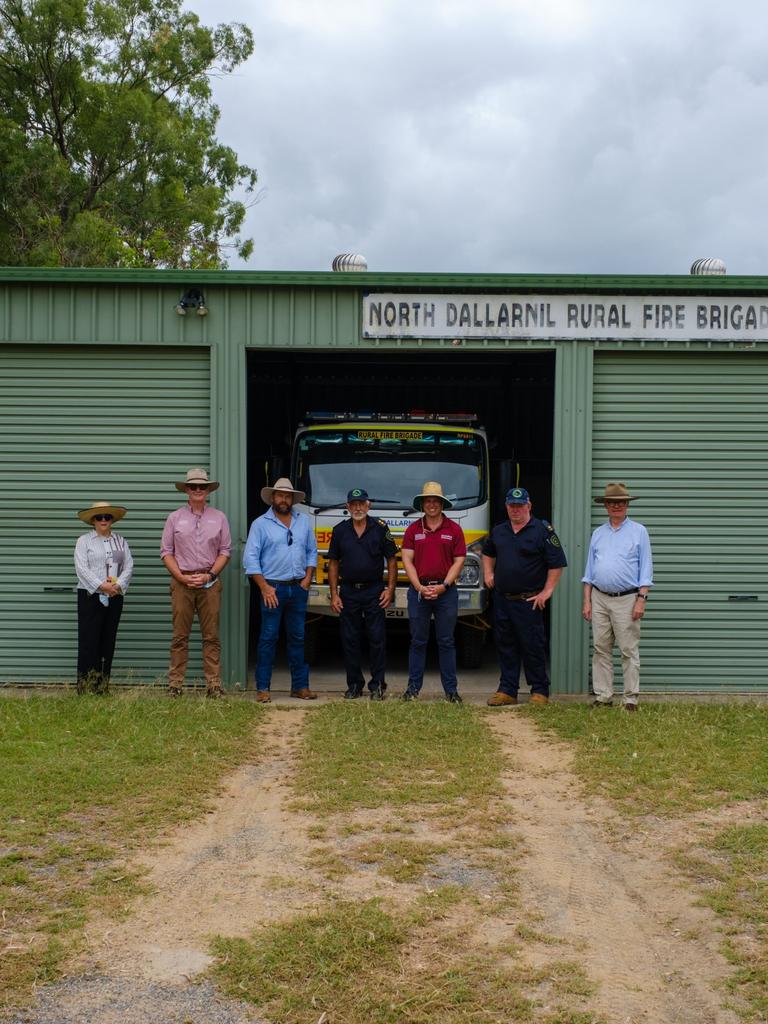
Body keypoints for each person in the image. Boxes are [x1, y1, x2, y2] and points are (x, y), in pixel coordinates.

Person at [482, 487, 567, 707]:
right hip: (503, 600)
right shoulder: (499, 530)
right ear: (507, 507)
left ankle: (539, 691)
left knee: (533, 646)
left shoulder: (542, 530)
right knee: (505, 645)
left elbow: (556, 563)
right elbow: (488, 552)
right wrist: (488, 573)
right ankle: (507, 690)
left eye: (520, 506)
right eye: (512, 506)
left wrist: (547, 591)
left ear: (529, 506)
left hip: (529, 601)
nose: (515, 510)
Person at [243, 477, 318, 702]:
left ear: (292, 499)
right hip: (272, 590)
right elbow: (250, 559)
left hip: (297, 589)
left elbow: (312, 551)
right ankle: (263, 688)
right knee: (268, 638)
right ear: (273, 498)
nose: (284, 499)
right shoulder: (260, 524)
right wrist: (264, 587)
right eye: (280, 495)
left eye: (287, 496)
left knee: (298, 638)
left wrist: (307, 578)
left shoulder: (303, 521)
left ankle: (300, 687)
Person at [582, 482, 653, 711]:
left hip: (627, 598)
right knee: (601, 648)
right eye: (612, 502)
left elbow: (646, 569)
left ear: (627, 505)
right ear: (605, 506)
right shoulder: (598, 533)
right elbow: (589, 572)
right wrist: (587, 601)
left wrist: (641, 598)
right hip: (599, 597)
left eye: (621, 502)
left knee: (628, 649)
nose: (616, 506)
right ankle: (604, 696)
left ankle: (631, 698)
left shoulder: (639, 531)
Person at [160, 468, 231, 698]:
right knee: (180, 636)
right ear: (187, 490)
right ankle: (175, 685)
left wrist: (210, 575)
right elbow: (166, 552)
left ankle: (213, 685)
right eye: (193, 487)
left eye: (202, 486)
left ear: (208, 489)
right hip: (182, 582)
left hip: (209, 582)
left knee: (211, 636)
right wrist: (180, 576)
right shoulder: (174, 518)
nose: (198, 490)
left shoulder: (219, 517)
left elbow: (225, 551)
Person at [327, 487, 398, 701]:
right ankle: (354, 685)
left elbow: (392, 560)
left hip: (374, 591)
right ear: (347, 507)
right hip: (348, 591)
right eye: (353, 504)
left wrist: (390, 589)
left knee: (377, 639)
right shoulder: (339, 530)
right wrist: (334, 593)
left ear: (368, 505)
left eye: (361, 503)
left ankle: (377, 685)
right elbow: (333, 564)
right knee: (350, 640)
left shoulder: (380, 528)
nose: (357, 507)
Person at [400, 481, 466, 702]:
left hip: (446, 592)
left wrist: (444, 586)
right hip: (419, 592)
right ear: (422, 504)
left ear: (442, 504)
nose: (431, 505)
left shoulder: (454, 529)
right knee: (418, 641)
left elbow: (459, 561)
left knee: (446, 641)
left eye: (435, 501)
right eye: (427, 501)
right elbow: (407, 560)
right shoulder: (413, 529)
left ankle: (451, 691)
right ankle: (412, 690)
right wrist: (419, 586)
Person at [74, 500, 134, 694]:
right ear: (93, 520)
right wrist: (101, 586)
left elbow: (129, 566)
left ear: (112, 520)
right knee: (88, 641)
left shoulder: (121, 541)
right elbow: (81, 568)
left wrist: (117, 585)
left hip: (115, 596)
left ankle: (102, 686)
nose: (103, 520)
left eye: (107, 517)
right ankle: (85, 687)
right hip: (90, 596)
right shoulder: (84, 541)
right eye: (99, 517)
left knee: (108, 640)